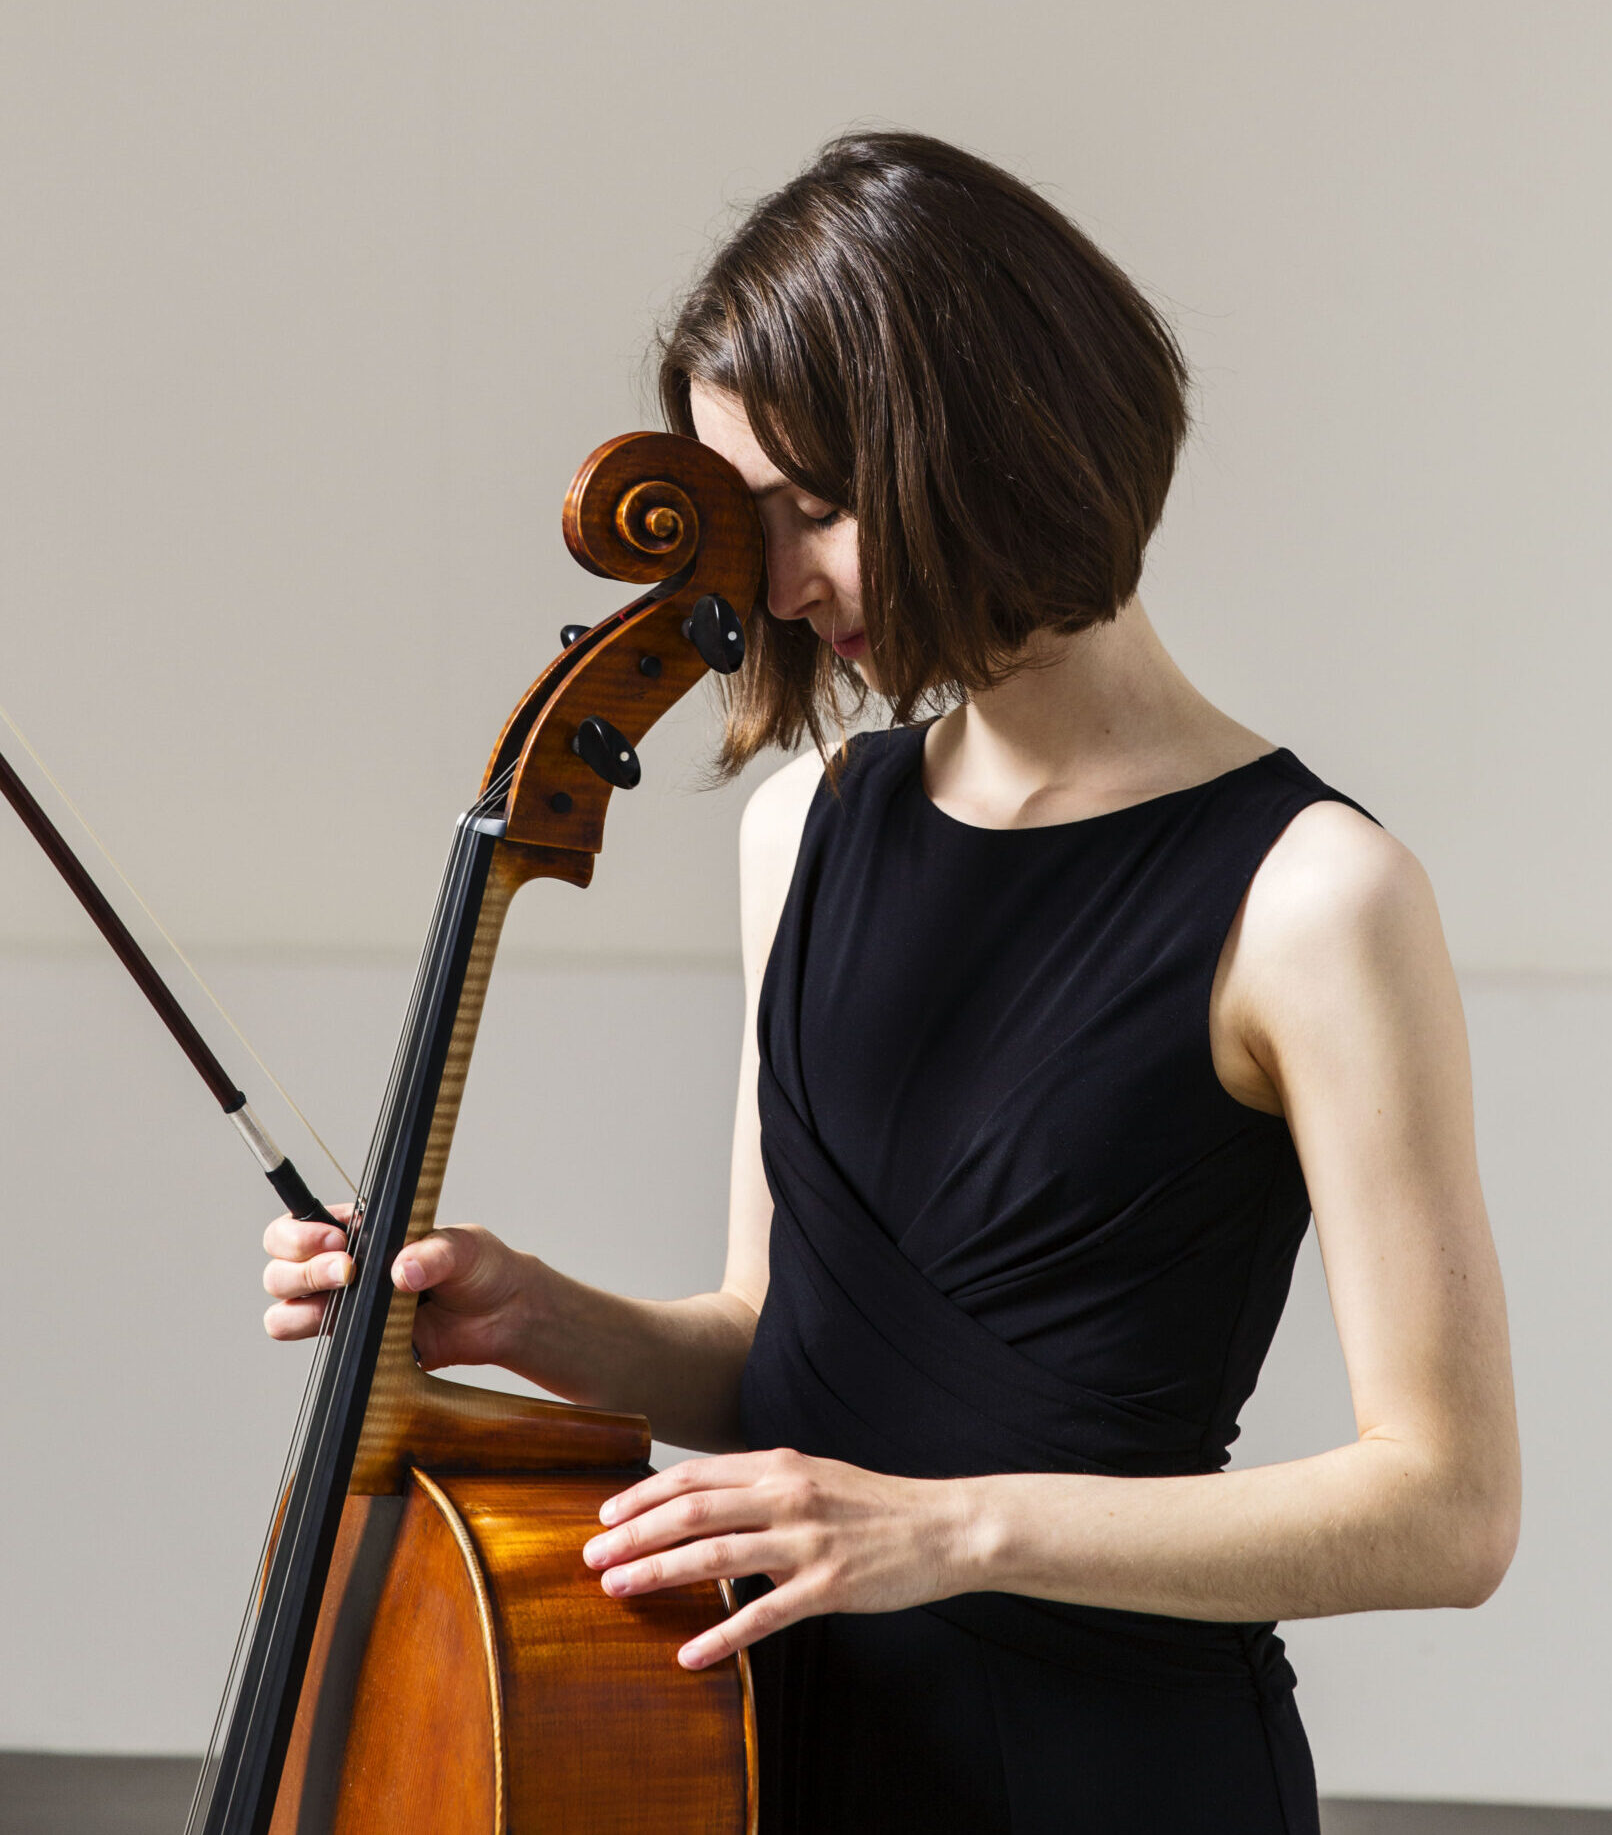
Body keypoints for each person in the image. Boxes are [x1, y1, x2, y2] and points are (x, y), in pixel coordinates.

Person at [260, 132, 1520, 1833]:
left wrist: (942, 1528)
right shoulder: (811, 827)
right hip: (781, 1750)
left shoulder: (1315, 897)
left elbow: (1448, 1511)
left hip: (1105, 1775)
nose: (772, 590)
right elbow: (771, 1349)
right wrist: (532, 1314)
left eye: (818, 511)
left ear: (989, 446)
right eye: (739, 525)